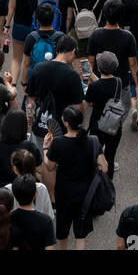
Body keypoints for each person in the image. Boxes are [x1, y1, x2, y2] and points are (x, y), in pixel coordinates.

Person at [41, 105, 108, 251]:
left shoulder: (58, 143)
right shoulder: (92, 141)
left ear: (65, 123)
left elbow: (49, 166)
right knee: (80, 234)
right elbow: (104, 167)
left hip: (64, 193)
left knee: (63, 231)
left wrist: (46, 148)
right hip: (86, 193)